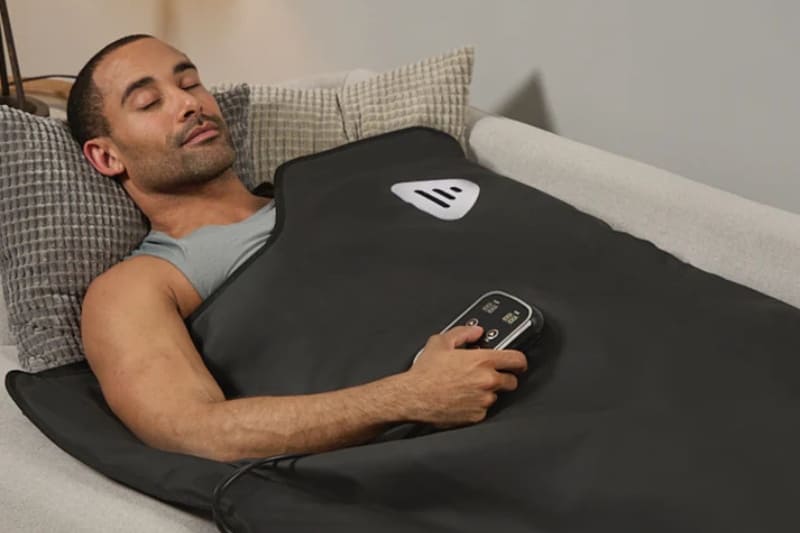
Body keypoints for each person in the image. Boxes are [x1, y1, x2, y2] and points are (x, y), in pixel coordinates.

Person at [71, 34, 528, 463]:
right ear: (107, 156)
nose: (190, 103)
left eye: (190, 83)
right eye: (150, 102)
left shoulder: (326, 193)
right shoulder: (138, 285)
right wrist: (411, 396)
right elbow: (193, 428)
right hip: (455, 427)